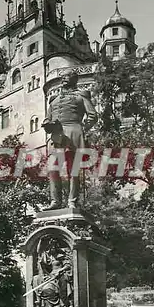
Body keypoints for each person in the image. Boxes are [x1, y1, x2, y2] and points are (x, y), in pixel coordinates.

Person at [41, 71, 98, 210]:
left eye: (67, 76)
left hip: (74, 133)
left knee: (73, 170)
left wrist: (82, 128)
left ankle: (72, 201)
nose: (64, 78)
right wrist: (47, 123)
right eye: (63, 77)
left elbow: (93, 115)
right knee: (52, 168)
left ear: (74, 80)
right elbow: (47, 117)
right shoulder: (54, 100)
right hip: (57, 135)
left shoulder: (81, 96)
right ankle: (55, 201)